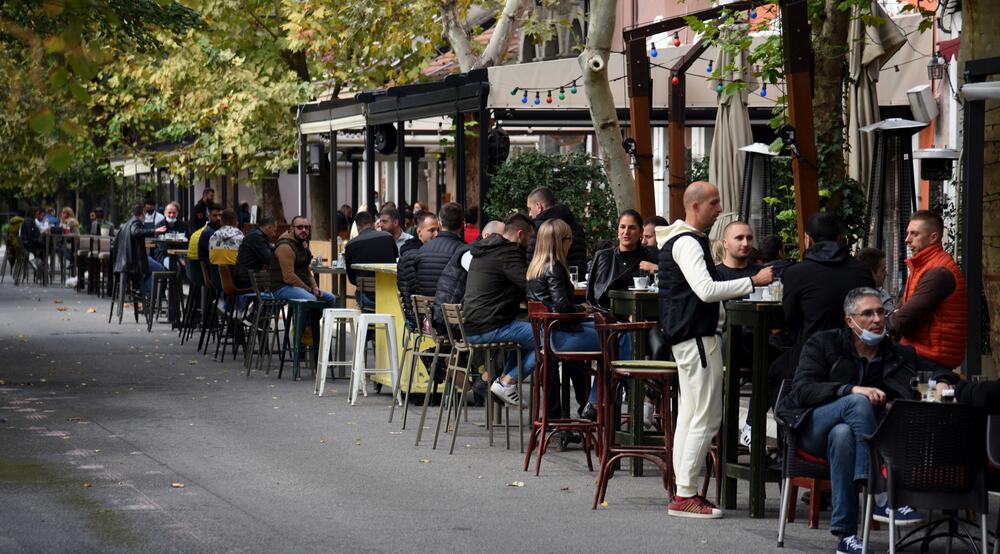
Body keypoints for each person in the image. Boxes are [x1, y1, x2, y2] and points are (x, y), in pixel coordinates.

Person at [775, 288, 931, 554]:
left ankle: (847, 538)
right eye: (868, 313)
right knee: (857, 403)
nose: (877, 319)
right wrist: (849, 390)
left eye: (881, 312)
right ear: (850, 320)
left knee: (843, 434)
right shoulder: (823, 343)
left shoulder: (896, 355)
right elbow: (801, 391)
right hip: (812, 428)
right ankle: (881, 495)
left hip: (854, 438)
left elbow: (932, 379)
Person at [657, 181, 773, 519]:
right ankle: (686, 494)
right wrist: (754, 281)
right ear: (695, 206)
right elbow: (706, 290)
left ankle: (683, 490)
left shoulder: (677, 240)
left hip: (685, 337)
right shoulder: (689, 242)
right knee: (706, 417)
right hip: (697, 337)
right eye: (714, 203)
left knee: (692, 416)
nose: (719, 209)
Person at [772, 213, 876, 411]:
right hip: (859, 352)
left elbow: (791, 319)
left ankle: (787, 430)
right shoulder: (861, 270)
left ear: (807, 239)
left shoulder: (796, 273)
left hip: (813, 351)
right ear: (839, 238)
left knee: (774, 373)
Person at [464, 214, 536, 405]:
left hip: (472, 325)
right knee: (548, 338)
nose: (530, 243)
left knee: (522, 339)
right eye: (530, 237)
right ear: (520, 234)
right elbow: (529, 286)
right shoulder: (508, 254)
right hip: (489, 327)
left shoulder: (486, 250)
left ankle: (502, 380)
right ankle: (507, 382)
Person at [890, 210, 967, 369]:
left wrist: (874, 329)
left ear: (933, 237)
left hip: (930, 357)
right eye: (907, 233)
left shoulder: (939, 272)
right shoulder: (923, 267)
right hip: (921, 351)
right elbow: (903, 310)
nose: (907, 240)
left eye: (914, 234)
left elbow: (908, 315)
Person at [587, 210, 658, 311]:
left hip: (645, 316)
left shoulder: (652, 256)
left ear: (641, 232)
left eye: (632, 228)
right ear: (618, 230)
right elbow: (591, 297)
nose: (626, 232)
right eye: (622, 227)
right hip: (609, 318)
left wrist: (657, 269)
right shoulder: (604, 257)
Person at [269, 215, 336, 305]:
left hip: (299, 286)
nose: (304, 230)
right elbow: (289, 277)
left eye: (306, 227)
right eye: (300, 227)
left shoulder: (301, 244)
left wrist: (315, 287)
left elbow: (307, 270)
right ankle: (303, 319)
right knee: (311, 299)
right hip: (281, 287)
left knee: (331, 298)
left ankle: (317, 319)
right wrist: (308, 289)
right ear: (292, 229)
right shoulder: (285, 247)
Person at [526, 187, 588, 274]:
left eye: (530, 209)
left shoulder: (539, 227)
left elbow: (531, 261)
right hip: (577, 280)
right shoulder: (575, 225)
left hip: (548, 281)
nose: (529, 214)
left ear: (538, 206)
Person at [343, 211, 398, 308]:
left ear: (357, 226)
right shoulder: (388, 237)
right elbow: (395, 261)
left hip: (365, 297)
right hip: (389, 293)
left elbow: (352, 278)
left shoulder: (350, 245)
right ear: (372, 223)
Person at [412, 202, 466, 297]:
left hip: (425, 308)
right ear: (463, 224)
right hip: (451, 308)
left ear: (440, 223)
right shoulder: (464, 251)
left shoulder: (422, 250)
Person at [397, 211, 441, 325]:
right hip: (420, 316)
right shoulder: (413, 254)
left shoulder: (430, 250)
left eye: (438, 230)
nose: (436, 234)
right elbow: (417, 289)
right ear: (419, 232)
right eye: (431, 230)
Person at [112, 203, 167, 296]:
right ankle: (146, 292)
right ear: (143, 213)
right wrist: (155, 231)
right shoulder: (136, 223)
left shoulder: (126, 224)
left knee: (151, 267)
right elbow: (135, 232)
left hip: (125, 261)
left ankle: (141, 289)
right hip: (134, 261)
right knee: (160, 269)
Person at [234, 217, 277, 289]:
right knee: (278, 285)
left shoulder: (255, 233)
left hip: (245, 275)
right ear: (268, 227)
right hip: (247, 279)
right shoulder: (257, 237)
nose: (274, 234)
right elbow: (268, 259)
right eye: (274, 231)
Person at [856, 247, 895, 314]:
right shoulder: (859, 300)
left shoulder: (882, 292)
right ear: (871, 273)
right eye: (883, 270)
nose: (886, 273)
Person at [197, 204, 224, 289]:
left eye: (220, 215)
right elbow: (220, 253)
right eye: (215, 215)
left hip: (218, 272)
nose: (218, 218)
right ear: (209, 216)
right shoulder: (208, 233)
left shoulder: (218, 231)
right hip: (214, 274)